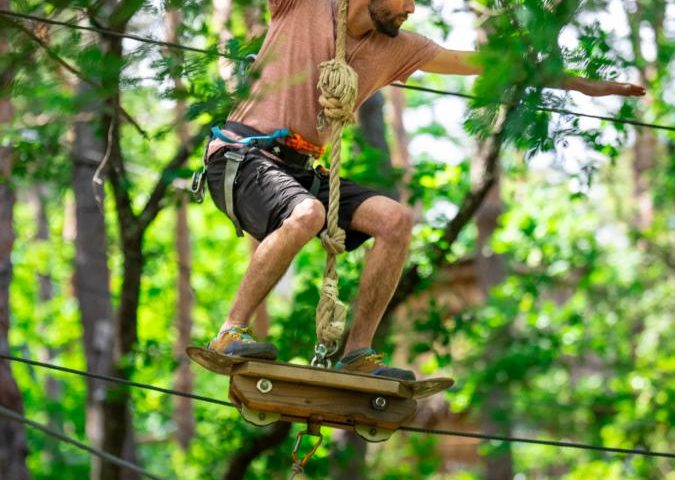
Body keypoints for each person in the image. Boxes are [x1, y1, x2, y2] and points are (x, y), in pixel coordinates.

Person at [203, 0, 646, 380]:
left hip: (303, 170)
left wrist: (582, 85)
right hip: (241, 155)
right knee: (307, 215)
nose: (411, 9)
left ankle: (357, 353)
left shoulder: (400, 48)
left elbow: (491, 66)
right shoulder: (301, 6)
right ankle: (230, 331)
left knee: (395, 220)